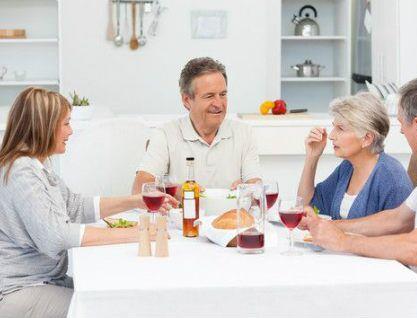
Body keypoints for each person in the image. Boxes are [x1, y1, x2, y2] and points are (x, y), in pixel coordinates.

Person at [0, 87, 178, 318]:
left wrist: (135, 201)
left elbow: (74, 207)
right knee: (106, 308)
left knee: (113, 294)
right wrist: (140, 232)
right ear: (44, 126)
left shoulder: (37, 165)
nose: (71, 131)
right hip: (20, 291)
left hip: (45, 282)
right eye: (65, 123)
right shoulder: (21, 171)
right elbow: (56, 236)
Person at [302, 76, 417, 318]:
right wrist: (328, 227)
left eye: (403, 125)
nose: (400, 130)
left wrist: (343, 241)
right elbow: (398, 219)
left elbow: (416, 248)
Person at [132, 57, 261, 194]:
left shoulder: (245, 132)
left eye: (222, 94)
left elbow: (257, 187)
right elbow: (139, 189)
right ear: (187, 100)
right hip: (186, 215)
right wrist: (176, 192)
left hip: (231, 215)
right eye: (209, 96)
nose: (219, 104)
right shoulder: (165, 133)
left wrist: (249, 190)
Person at [297, 92, 412, 219]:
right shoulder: (347, 168)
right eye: (334, 127)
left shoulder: (391, 177)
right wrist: (312, 157)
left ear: (367, 138)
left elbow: (398, 233)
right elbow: (305, 206)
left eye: (341, 129)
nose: (331, 136)